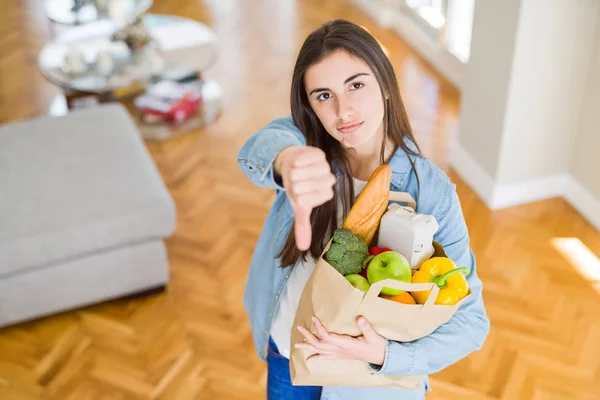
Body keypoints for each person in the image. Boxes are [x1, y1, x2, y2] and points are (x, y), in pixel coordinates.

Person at [237, 19, 489, 400]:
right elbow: (263, 145)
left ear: (386, 85)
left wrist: (384, 355)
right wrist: (286, 162)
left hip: (364, 381)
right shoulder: (307, 148)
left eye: (356, 85)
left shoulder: (431, 193)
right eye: (323, 95)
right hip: (288, 351)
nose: (343, 111)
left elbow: (471, 322)